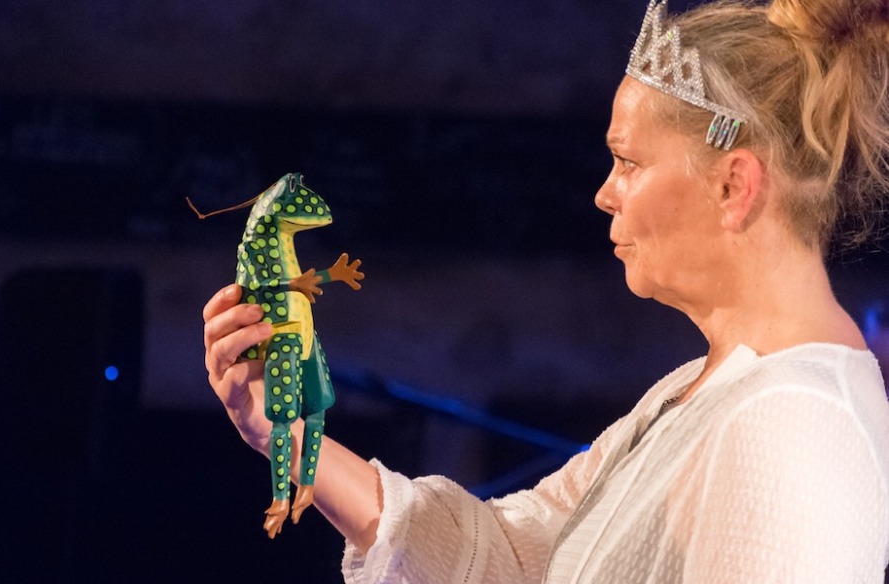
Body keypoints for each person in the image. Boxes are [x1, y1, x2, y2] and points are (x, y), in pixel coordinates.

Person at [200, 0, 889, 581]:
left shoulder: (794, 427)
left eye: (628, 162)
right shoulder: (705, 388)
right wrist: (291, 436)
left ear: (732, 186)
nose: (604, 193)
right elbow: (514, 557)